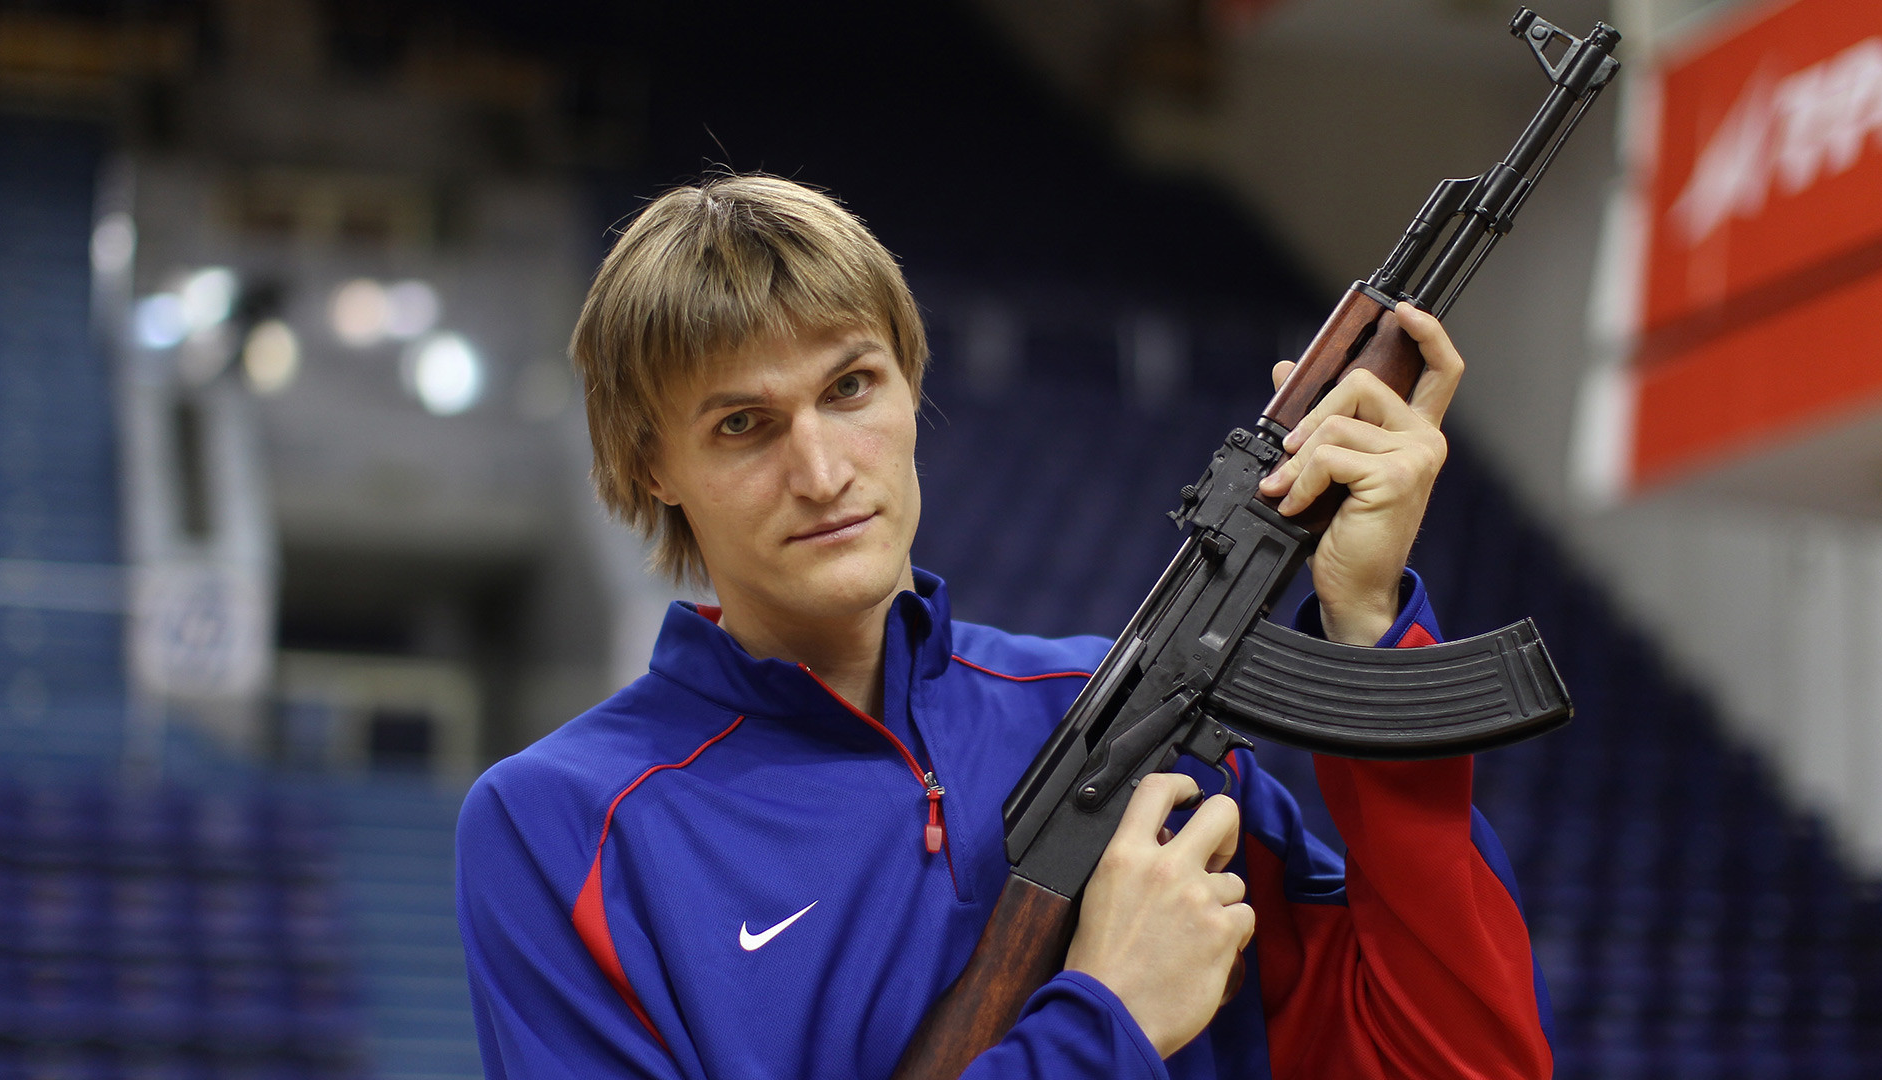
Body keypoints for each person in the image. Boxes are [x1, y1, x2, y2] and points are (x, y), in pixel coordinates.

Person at [455, 175, 1552, 1079]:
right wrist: (1103, 1022)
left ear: (911, 384)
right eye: (745, 426)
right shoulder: (561, 826)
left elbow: (1467, 1065)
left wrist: (1363, 624)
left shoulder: (1122, 723)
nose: (824, 471)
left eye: (851, 387)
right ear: (653, 466)